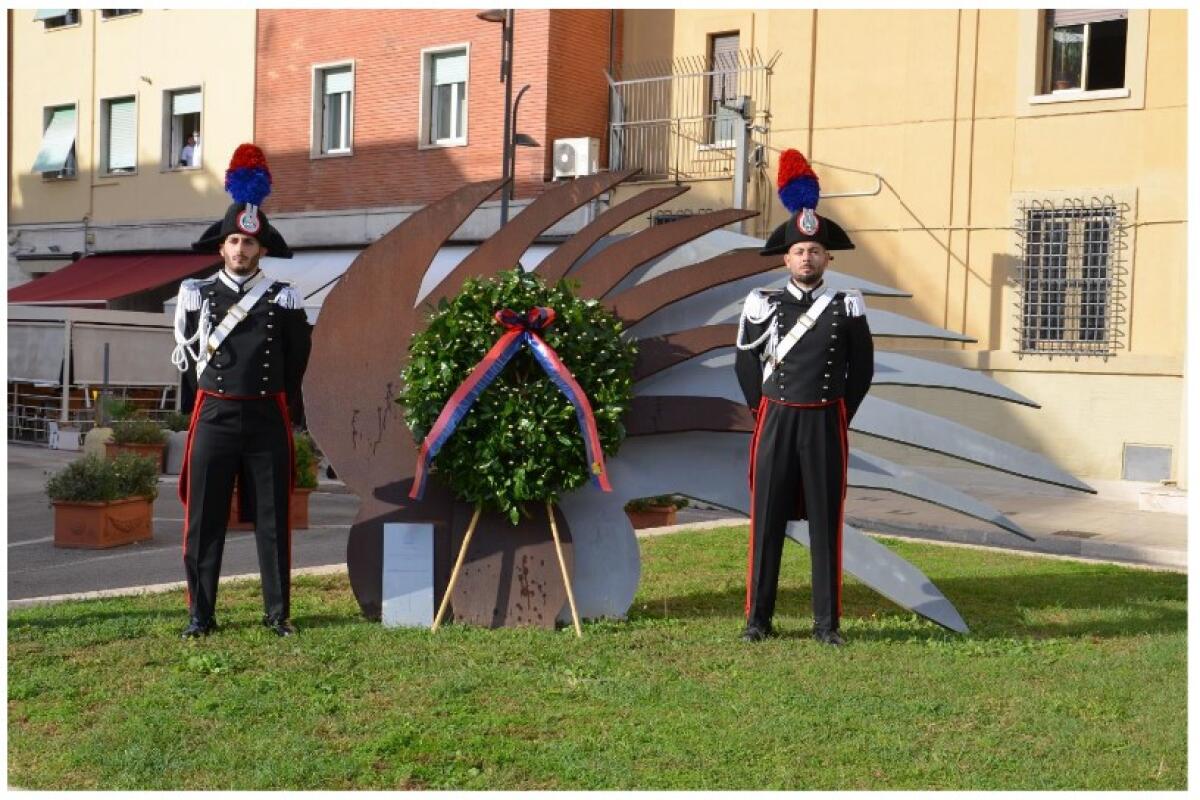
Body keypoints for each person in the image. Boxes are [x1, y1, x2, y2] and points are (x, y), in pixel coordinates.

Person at [171, 143, 311, 639]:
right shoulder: (197, 295)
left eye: (249, 243)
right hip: (214, 415)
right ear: (222, 246)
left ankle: (278, 614)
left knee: (273, 520)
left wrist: (290, 410)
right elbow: (188, 366)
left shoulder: (283, 297)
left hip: (265, 417)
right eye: (233, 241)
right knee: (203, 520)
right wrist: (195, 411)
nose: (240, 250)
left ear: (262, 248)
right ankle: (200, 615)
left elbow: (297, 361)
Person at [734, 149, 873, 646]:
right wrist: (763, 410)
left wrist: (838, 412)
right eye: (799, 250)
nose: (807, 257)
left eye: (815, 250)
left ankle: (826, 623)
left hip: (824, 421)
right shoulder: (762, 304)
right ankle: (758, 619)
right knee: (766, 519)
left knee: (826, 522)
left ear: (827, 257)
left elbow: (862, 370)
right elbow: (746, 364)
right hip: (775, 418)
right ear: (786, 257)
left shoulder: (847, 305)